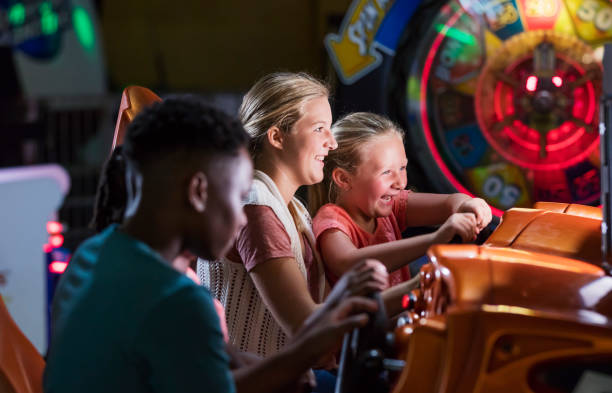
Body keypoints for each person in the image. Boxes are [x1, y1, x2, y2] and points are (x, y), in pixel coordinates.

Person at [44, 97, 380, 393]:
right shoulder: (175, 300)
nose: (242, 218)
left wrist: (291, 362)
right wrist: (303, 352)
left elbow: (212, 361)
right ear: (198, 192)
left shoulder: (91, 256)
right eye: (236, 197)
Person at [198, 73, 388, 364]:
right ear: (276, 137)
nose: (332, 143)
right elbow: (306, 328)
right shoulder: (256, 207)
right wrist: (414, 288)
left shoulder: (292, 209)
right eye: (320, 129)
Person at [310, 112, 493, 288]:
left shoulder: (392, 203)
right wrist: (435, 239)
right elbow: (348, 263)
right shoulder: (331, 221)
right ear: (344, 179)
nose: (400, 183)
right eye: (386, 172)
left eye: (402, 167)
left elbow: (449, 203)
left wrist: (469, 204)